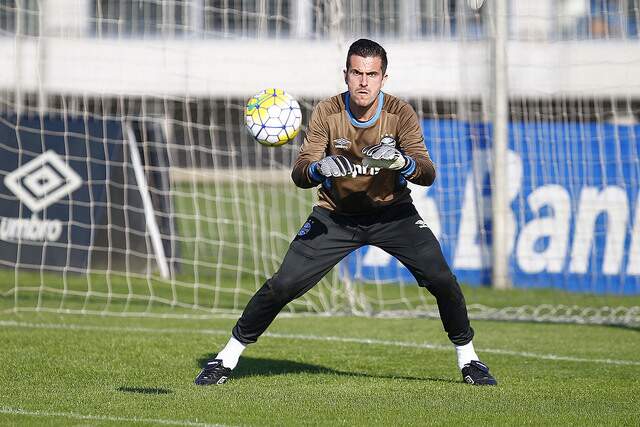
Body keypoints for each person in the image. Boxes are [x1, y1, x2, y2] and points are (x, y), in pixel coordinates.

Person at [195, 38, 497, 386]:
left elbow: (427, 172)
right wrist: (319, 168)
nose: (364, 81)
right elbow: (300, 171)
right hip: (335, 217)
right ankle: (225, 358)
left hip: (392, 215)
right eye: (357, 73)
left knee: (442, 279)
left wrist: (402, 162)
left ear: (384, 78)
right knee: (283, 285)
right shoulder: (327, 111)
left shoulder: (400, 114)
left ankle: (470, 360)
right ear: (346, 75)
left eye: (372, 74)